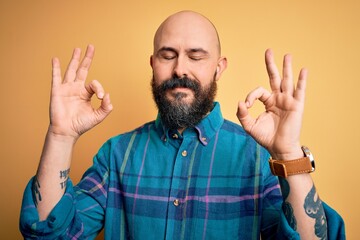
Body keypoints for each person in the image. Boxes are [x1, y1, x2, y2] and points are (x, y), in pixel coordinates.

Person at [20, 10, 345, 239]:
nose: (180, 69)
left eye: (196, 55)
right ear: (153, 64)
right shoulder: (116, 154)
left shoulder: (258, 159)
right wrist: (60, 136)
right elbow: (50, 234)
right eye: (167, 54)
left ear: (219, 68)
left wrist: (288, 153)